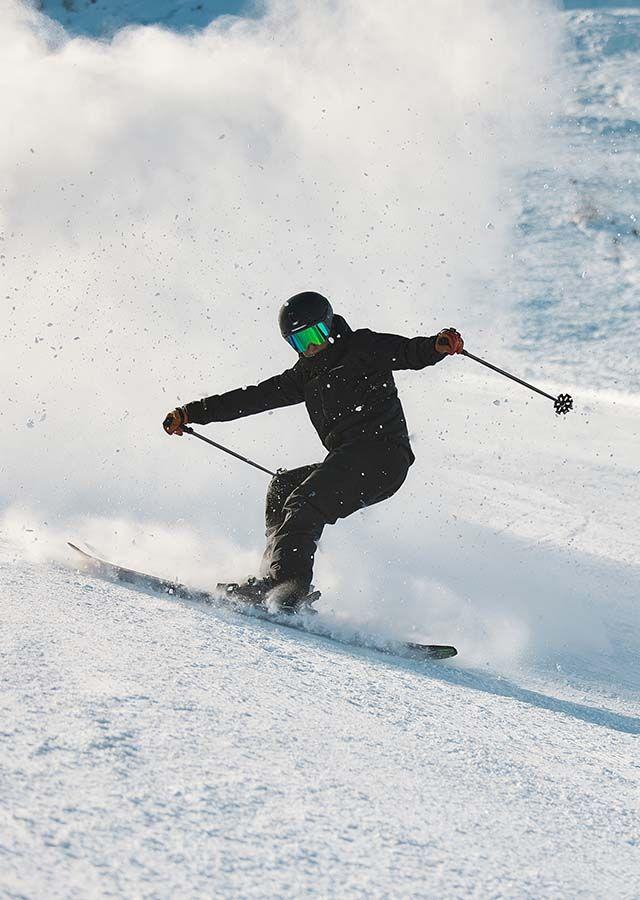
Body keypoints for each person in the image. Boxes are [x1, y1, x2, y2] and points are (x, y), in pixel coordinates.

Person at [163, 292, 463, 611]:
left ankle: (288, 587)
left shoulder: (362, 347)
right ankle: (276, 577)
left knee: (305, 502)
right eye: (298, 341)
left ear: (329, 325)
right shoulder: (305, 375)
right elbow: (251, 398)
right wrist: (191, 412)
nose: (310, 346)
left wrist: (435, 346)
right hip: (349, 458)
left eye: (314, 334)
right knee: (284, 487)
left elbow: (406, 352)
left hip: (381, 456)